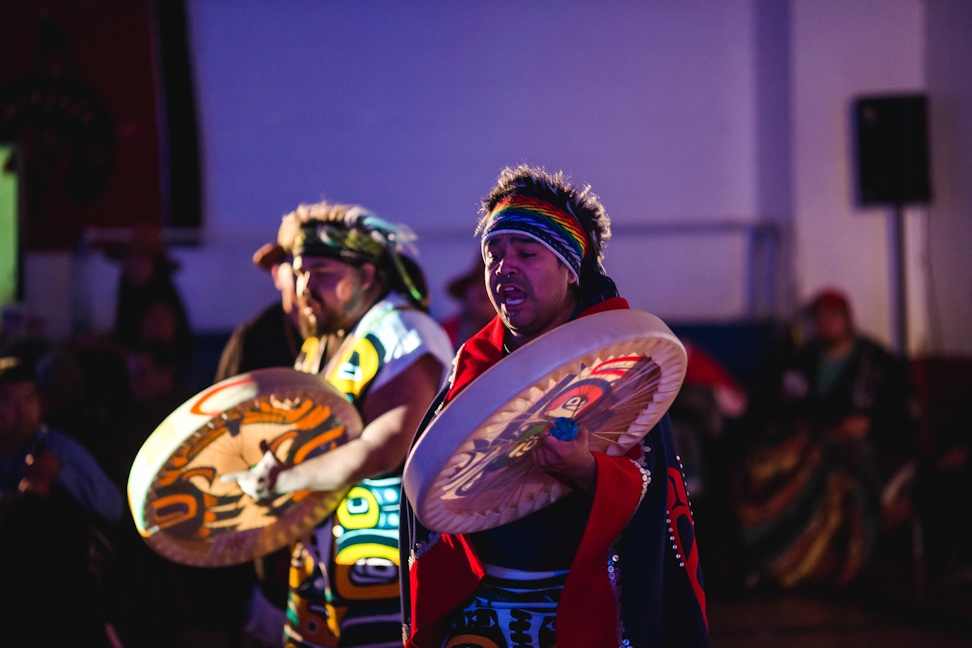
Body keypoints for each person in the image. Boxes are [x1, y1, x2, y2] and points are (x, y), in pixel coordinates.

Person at [400, 165, 711, 647]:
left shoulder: (622, 364)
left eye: (526, 252)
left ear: (570, 269)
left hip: (578, 612)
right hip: (478, 613)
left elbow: (650, 499)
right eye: (493, 254)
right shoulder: (475, 363)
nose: (503, 268)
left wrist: (587, 471)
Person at [221, 201, 454, 648]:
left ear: (366, 275)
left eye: (323, 272)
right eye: (301, 271)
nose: (307, 285)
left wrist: (286, 479)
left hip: (383, 568)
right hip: (320, 567)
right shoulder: (327, 340)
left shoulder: (404, 332)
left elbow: (385, 445)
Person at [733, 287, 919, 590]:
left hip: (859, 454)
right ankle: (767, 558)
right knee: (761, 467)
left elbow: (906, 419)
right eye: (818, 317)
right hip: (803, 449)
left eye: (833, 316)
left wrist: (869, 425)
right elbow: (766, 411)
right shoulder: (797, 363)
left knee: (831, 481)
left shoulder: (878, 363)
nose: (825, 324)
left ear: (848, 319)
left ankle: (816, 566)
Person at [0, 350, 124, 646]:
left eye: (29, 398)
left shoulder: (58, 449)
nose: (20, 411)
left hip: (55, 596)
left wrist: (59, 475)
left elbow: (113, 506)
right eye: (7, 399)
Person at [214, 235, 303, 382]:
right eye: (298, 266)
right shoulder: (252, 339)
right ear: (276, 274)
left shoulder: (336, 332)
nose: (308, 281)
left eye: (320, 269)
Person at [439, 255, 495, 350]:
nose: (484, 290)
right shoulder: (442, 334)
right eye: (478, 281)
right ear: (465, 292)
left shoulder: (518, 338)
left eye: (491, 284)